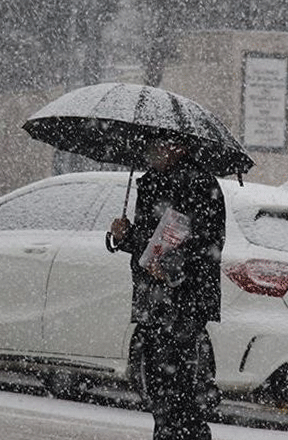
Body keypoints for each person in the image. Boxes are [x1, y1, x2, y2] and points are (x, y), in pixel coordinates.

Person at [110, 138, 225, 440]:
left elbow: (208, 243)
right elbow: (148, 247)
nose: (151, 149)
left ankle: (188, 434)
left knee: (182, 390)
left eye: (158, 144)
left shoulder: (201, 184)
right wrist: (125, 237)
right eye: (149, 144)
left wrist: (174, 268)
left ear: (180, 148)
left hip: (184, 301)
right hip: (153, 299)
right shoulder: (149, 183)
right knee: (158, 388)